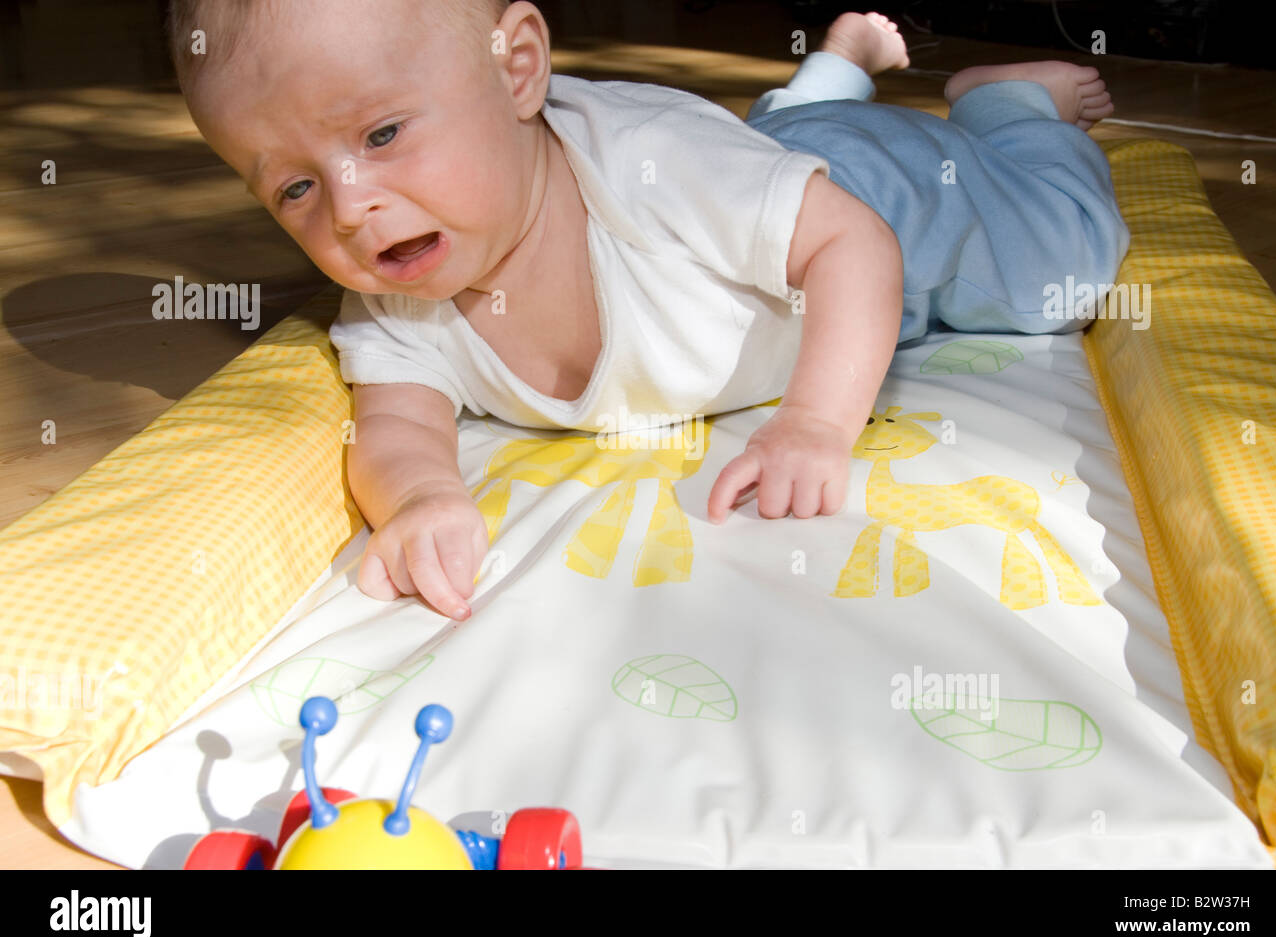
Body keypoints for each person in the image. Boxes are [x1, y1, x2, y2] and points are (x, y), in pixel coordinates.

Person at [167, 2, 1127, 620]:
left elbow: (854, 245)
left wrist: (815, 423)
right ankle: (831, 73)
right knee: (772, 148)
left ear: (516, 72)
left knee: (1066, 266)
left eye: (381, 134)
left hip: (891, 197)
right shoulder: (395, 292)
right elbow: (395, 420)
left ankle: (1009, 112)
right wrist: (419, 497)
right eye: (293, 188)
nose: (349, 207)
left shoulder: (648, 172)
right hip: (756, 174)